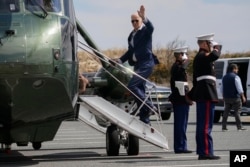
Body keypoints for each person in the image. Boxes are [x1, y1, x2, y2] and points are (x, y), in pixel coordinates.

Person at [115, 5, 156, 124]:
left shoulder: (145, 31)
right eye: (132, 21)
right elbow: (130, 52)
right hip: (137, 65)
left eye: (136, 20)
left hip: (146, 64)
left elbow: (152, 28)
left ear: (141, 20)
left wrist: (145, 18)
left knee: (132, 86)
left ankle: (148, 106)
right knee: (139, 90)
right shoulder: (131, 35)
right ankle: (145, 119)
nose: (134, 23)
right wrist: (119, 61)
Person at [189, 33, 221, 160]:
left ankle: (203, 150)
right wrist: (217, 47)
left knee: (203, 125)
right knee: (206, 125)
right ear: (203, 44)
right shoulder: (203, 55)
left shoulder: (201, 56)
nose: (211, 46)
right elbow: (215, 55)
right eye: (210, 43)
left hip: (204, 93)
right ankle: (206, 152)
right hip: (207, 93)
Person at [169, 46, 193, 154]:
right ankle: (180, 147)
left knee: (183, 124)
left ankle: (182, 145)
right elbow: (181, 84)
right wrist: (186, 61)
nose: (186, 56)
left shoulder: (179, 67)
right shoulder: (177, 67)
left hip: (182, 99)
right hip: (180, 99)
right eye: (184, 54)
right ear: (180, 55)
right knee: (180, 124)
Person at [221, 64, 247, 131]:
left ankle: (224, 127)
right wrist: (243, 96)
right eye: (237, 69)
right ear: (234, 69)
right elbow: (239, 88)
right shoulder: (236, 77)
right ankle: (239, 126)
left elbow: (222, 88)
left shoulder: (224, 77)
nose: (237, 70)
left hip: (227, 97)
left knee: (226, 111)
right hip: (235, 97)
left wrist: (223, 96)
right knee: (237, 112)